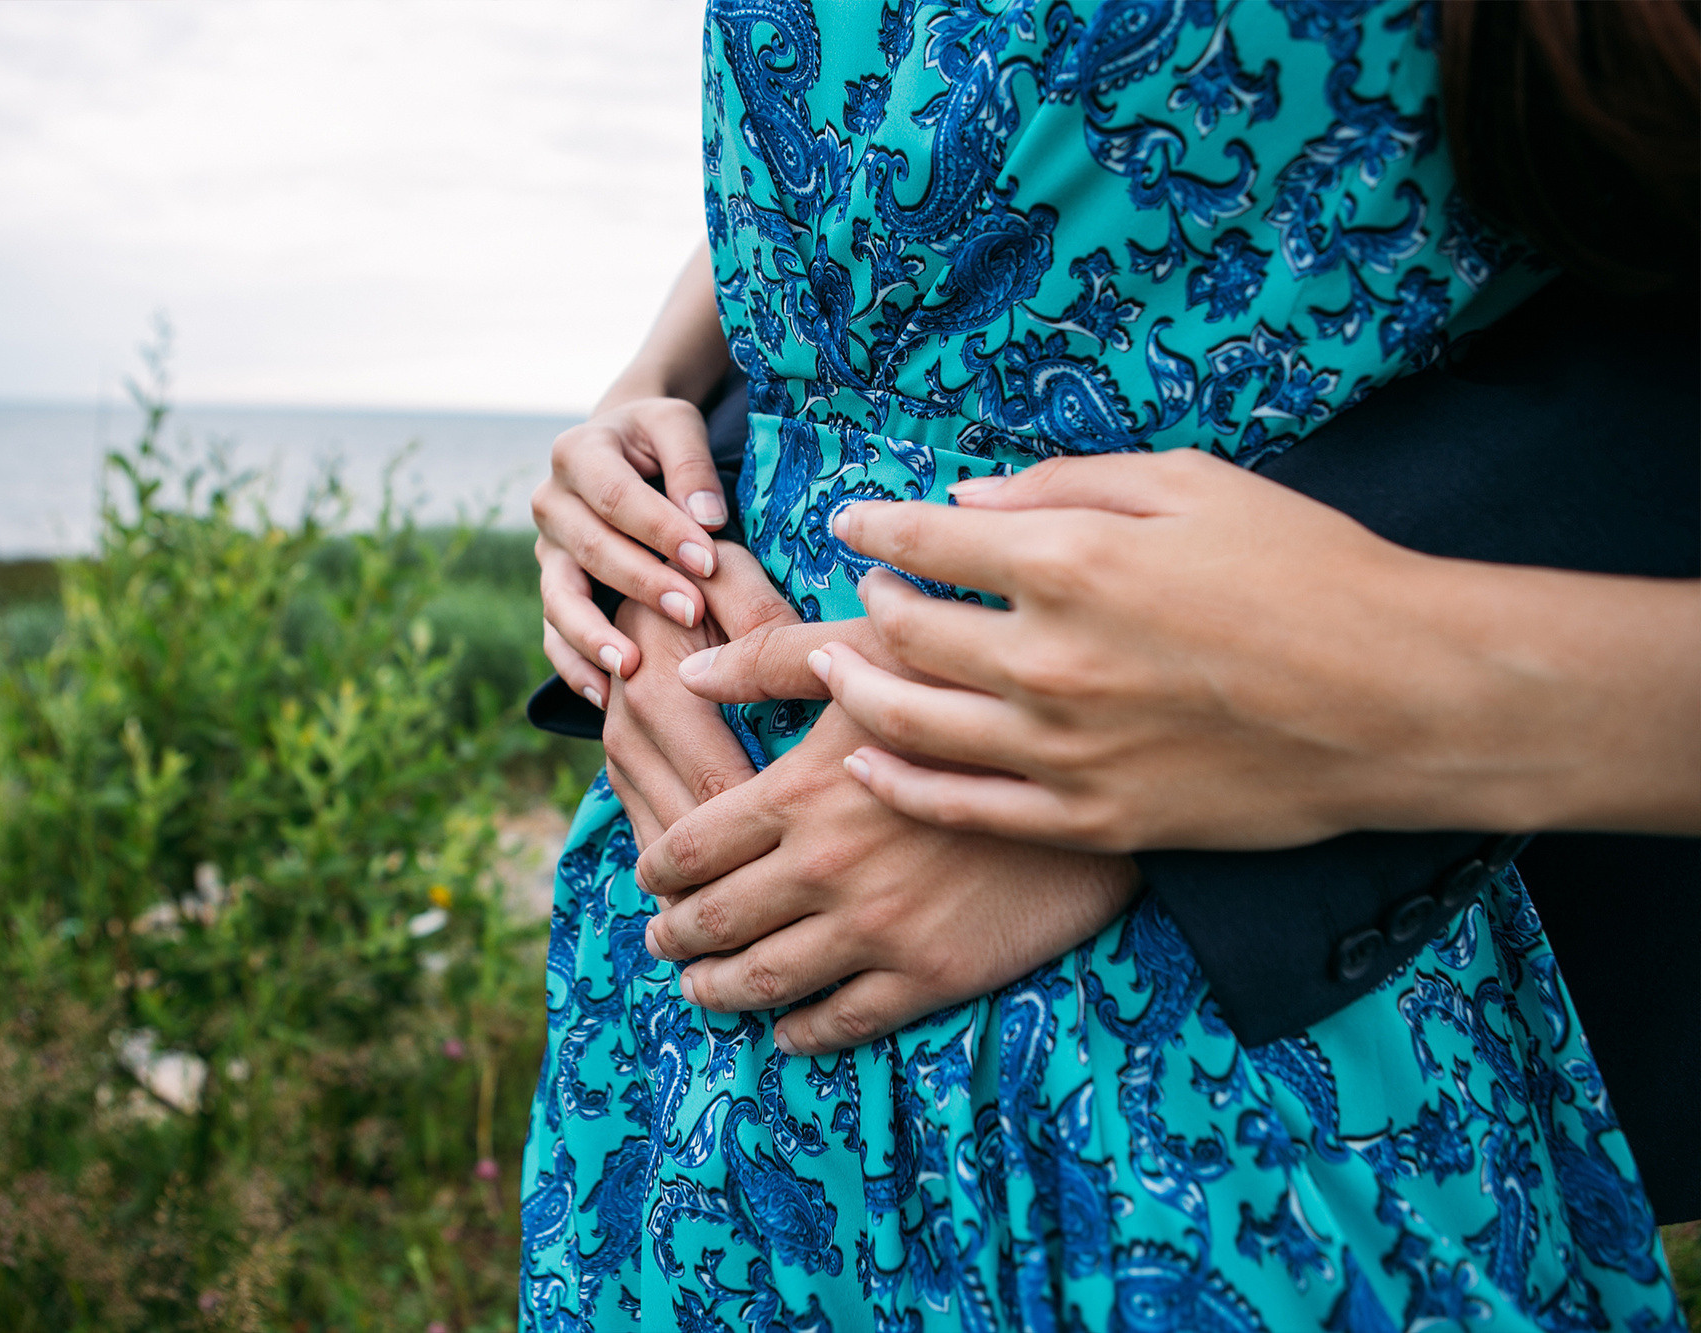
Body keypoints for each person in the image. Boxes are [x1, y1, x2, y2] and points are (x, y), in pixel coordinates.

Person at [521, 4, 1685, 1328]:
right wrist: (655, 410)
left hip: (1205, 1045)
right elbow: (920, 121)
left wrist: (1318, 694)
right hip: (684, 1025)